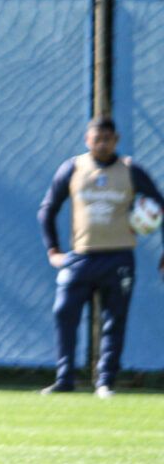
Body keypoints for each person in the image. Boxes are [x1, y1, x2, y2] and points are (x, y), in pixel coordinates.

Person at [37, 116, 164, 397]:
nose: (102, 144)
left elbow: (160, 204)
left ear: (116, 140)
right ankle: (65, 378)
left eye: (108, 139)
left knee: (114, 320)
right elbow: (47, 208)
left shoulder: (130, 170)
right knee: (64, 313)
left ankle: (105, 381)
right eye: (97, 139)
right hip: (80, 258)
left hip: (118, 259)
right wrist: (53, 250)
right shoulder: (73, 168)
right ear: (87, 140)